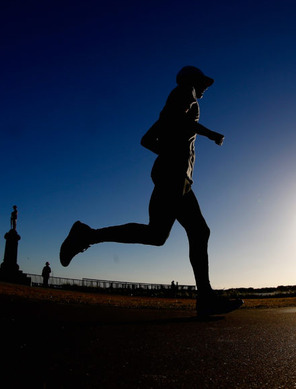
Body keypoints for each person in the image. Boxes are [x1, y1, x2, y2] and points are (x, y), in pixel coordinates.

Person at [60, 66, 243, 316]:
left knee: (161, 235)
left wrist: (168, 153)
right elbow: (181, 123)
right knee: (194, 232)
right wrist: (209, 134)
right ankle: (206, 298)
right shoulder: (185, 94)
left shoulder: (172, 104)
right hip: (174, 177)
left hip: (175, 177)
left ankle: (87, 235)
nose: (204, 90)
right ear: (192, 81)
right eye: (203, 84)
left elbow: (146, 140)